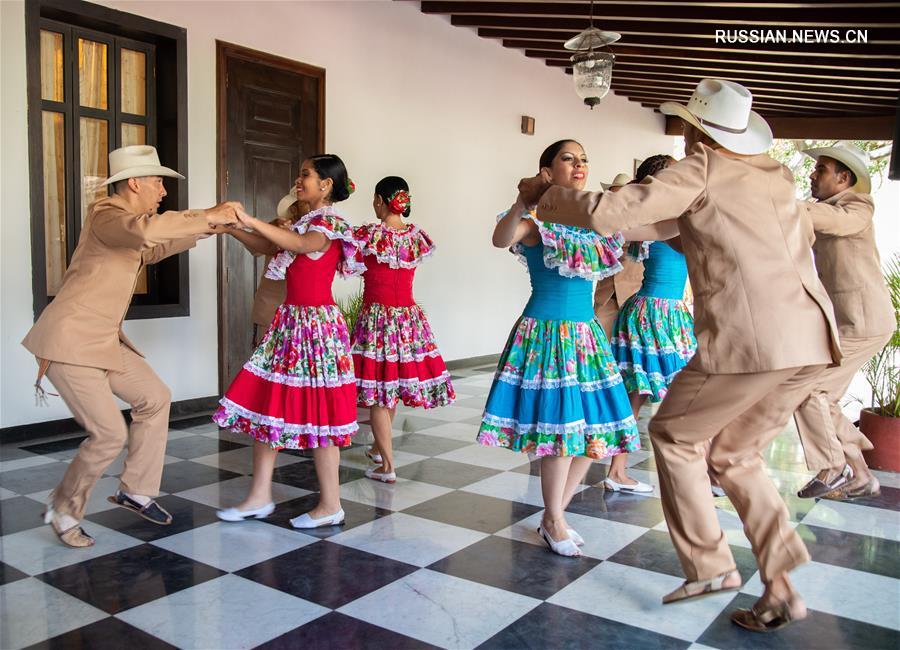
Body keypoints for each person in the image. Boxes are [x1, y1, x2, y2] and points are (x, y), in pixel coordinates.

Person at [524, 79, 846, 631]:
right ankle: (780, 587)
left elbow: (610, 210)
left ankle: (710, 567)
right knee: (735, 456)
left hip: (752, 339)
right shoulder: (773, 174)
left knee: (675, 436)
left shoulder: (703, 166)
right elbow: (681, 224)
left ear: (697, 132)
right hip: (809, 339)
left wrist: (543, 195)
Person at [22, 144, 239, 547]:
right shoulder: (106, 215)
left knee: (155, 397)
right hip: (70, 342)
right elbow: (145, 232)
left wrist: (209, 229)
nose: (163, 191)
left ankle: (136, 490)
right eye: (158, 182)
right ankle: (64, 507)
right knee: (108, 435)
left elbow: (151, 249)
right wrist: (208, 213)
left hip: (103, 340)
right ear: (135, 183)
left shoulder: (126, 228)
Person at [477, 139, 676, 558]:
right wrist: (522, 201)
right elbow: (500, 238)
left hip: (586, 338)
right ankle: (554, 519)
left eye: (584, 158)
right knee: (561, 432)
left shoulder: (596, 224)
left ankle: (555, 514)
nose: (579, 164)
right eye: (568, 158)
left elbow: (658, 230)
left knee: (600, 430)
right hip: (547, 336)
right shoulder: (537, 222)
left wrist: (695, 208)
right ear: (548, 172)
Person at [214, 154, 364, 528]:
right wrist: (231, 229)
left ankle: (331, 505)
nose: (299, 180)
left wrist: (249, 219)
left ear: (326, 185)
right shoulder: (304, 222)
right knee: (270, 406)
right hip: (291, 323)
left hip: (317, 328)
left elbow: (299, 245)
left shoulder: (329, 224)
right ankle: (259, 496)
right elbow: (268, 247)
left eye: (305, 175)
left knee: (322, 415)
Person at [793, 143, 894, 500]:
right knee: (825, 398)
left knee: (808, 389)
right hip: (846, 322)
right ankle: (862, 475)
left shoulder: (857, 207)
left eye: (820, 169)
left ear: (843, 178)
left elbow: (832, 221)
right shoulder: (822, 210)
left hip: (865, 322)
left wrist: (778, 200)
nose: (812, 175)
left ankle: (833, 467)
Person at [351, 176, 455, 483]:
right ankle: (377, 449)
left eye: (374, 200)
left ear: (380, 201)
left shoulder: (369, 235)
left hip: (377, 320)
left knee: (378, 394)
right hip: (408, 320)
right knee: (390, 388)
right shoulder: (416, 236)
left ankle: (387, 466)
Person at [605, 154, 697, 495]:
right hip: (658, 315)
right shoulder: (665, 223)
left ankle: (619, 471)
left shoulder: (662, 220)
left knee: (641, 395)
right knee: (677, 395)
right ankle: (701, 473)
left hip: (659, 313)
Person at [240, 188, 310, 345]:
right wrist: (270, 227)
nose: (311, 206)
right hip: (270, 312)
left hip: (306, 315)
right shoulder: (278, 227)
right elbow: (254, 249)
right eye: (305, 202)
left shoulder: (321, 230)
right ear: (294, 208)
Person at [593, 173, 644, 336]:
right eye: (613, 195)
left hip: (632, 294)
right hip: (605, 297)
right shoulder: (601, 221)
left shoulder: (642, 221)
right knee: (602, 343)